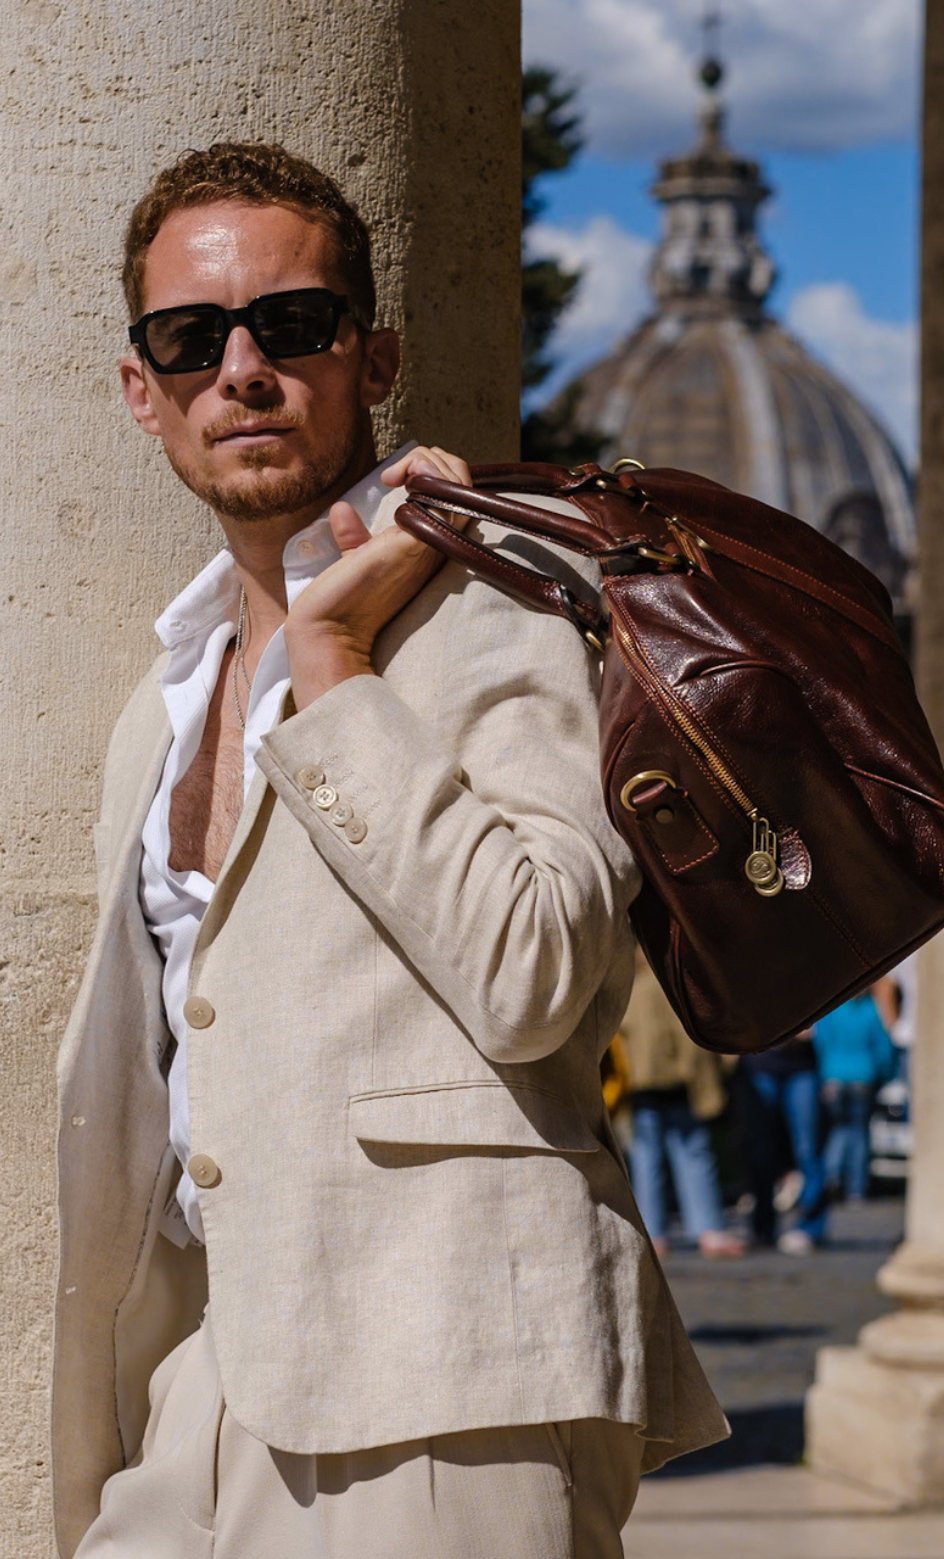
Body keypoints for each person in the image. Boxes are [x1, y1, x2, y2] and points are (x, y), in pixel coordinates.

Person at [53, 143, 727, 1559]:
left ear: (375, 358)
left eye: (291, 325)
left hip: (450, 1363)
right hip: (205, 1369)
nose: (242, 370)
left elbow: (537, 968)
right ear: (141, 389)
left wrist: (338, 662)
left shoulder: (498, 613)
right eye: (190, 339)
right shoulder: (163, 694)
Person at [617, 955, 745, 1261]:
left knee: (648, 1160)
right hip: (680, 1085)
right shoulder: (677, 984)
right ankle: (706, 1229)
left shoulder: (630, 985)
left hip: (643, 1086)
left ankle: (654, 1233)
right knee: (692, 1156)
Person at [735, 1032, 828, 1255]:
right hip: (759, 1064)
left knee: (808, 1150)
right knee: (760, 1151)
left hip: (801, 1065)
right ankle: (762, 1227)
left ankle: (810, 1227)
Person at [814, 986, 898, 1202]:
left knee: (839, 1128)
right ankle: (856, 1187)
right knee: (859, 1131)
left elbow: (821, 1040)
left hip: (834, 1076)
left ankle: (831, 1174)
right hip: (863, 1077)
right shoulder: (870, 1009)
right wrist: (885, 1074)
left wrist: (826, 1069)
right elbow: (883, 1048)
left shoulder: (833, 1009)